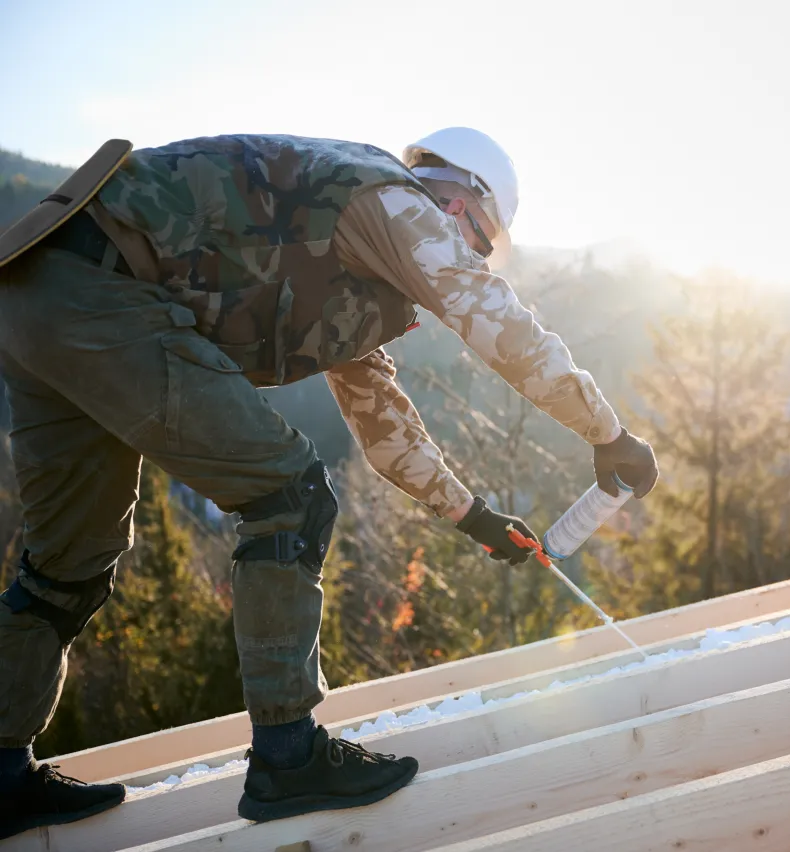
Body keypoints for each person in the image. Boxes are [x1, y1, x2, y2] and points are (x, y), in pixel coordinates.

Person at [0, 130, 659, 837]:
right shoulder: (397, 205)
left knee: (69, 560)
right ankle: (289, 757)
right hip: (104, 288)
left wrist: (473, 517)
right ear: (458, 200)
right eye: (478, 239)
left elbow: (384, 424)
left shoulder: (354, 245)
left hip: (37, 290)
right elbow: (495, 319)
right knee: (288, 496)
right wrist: (609, 434)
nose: (470, 255)